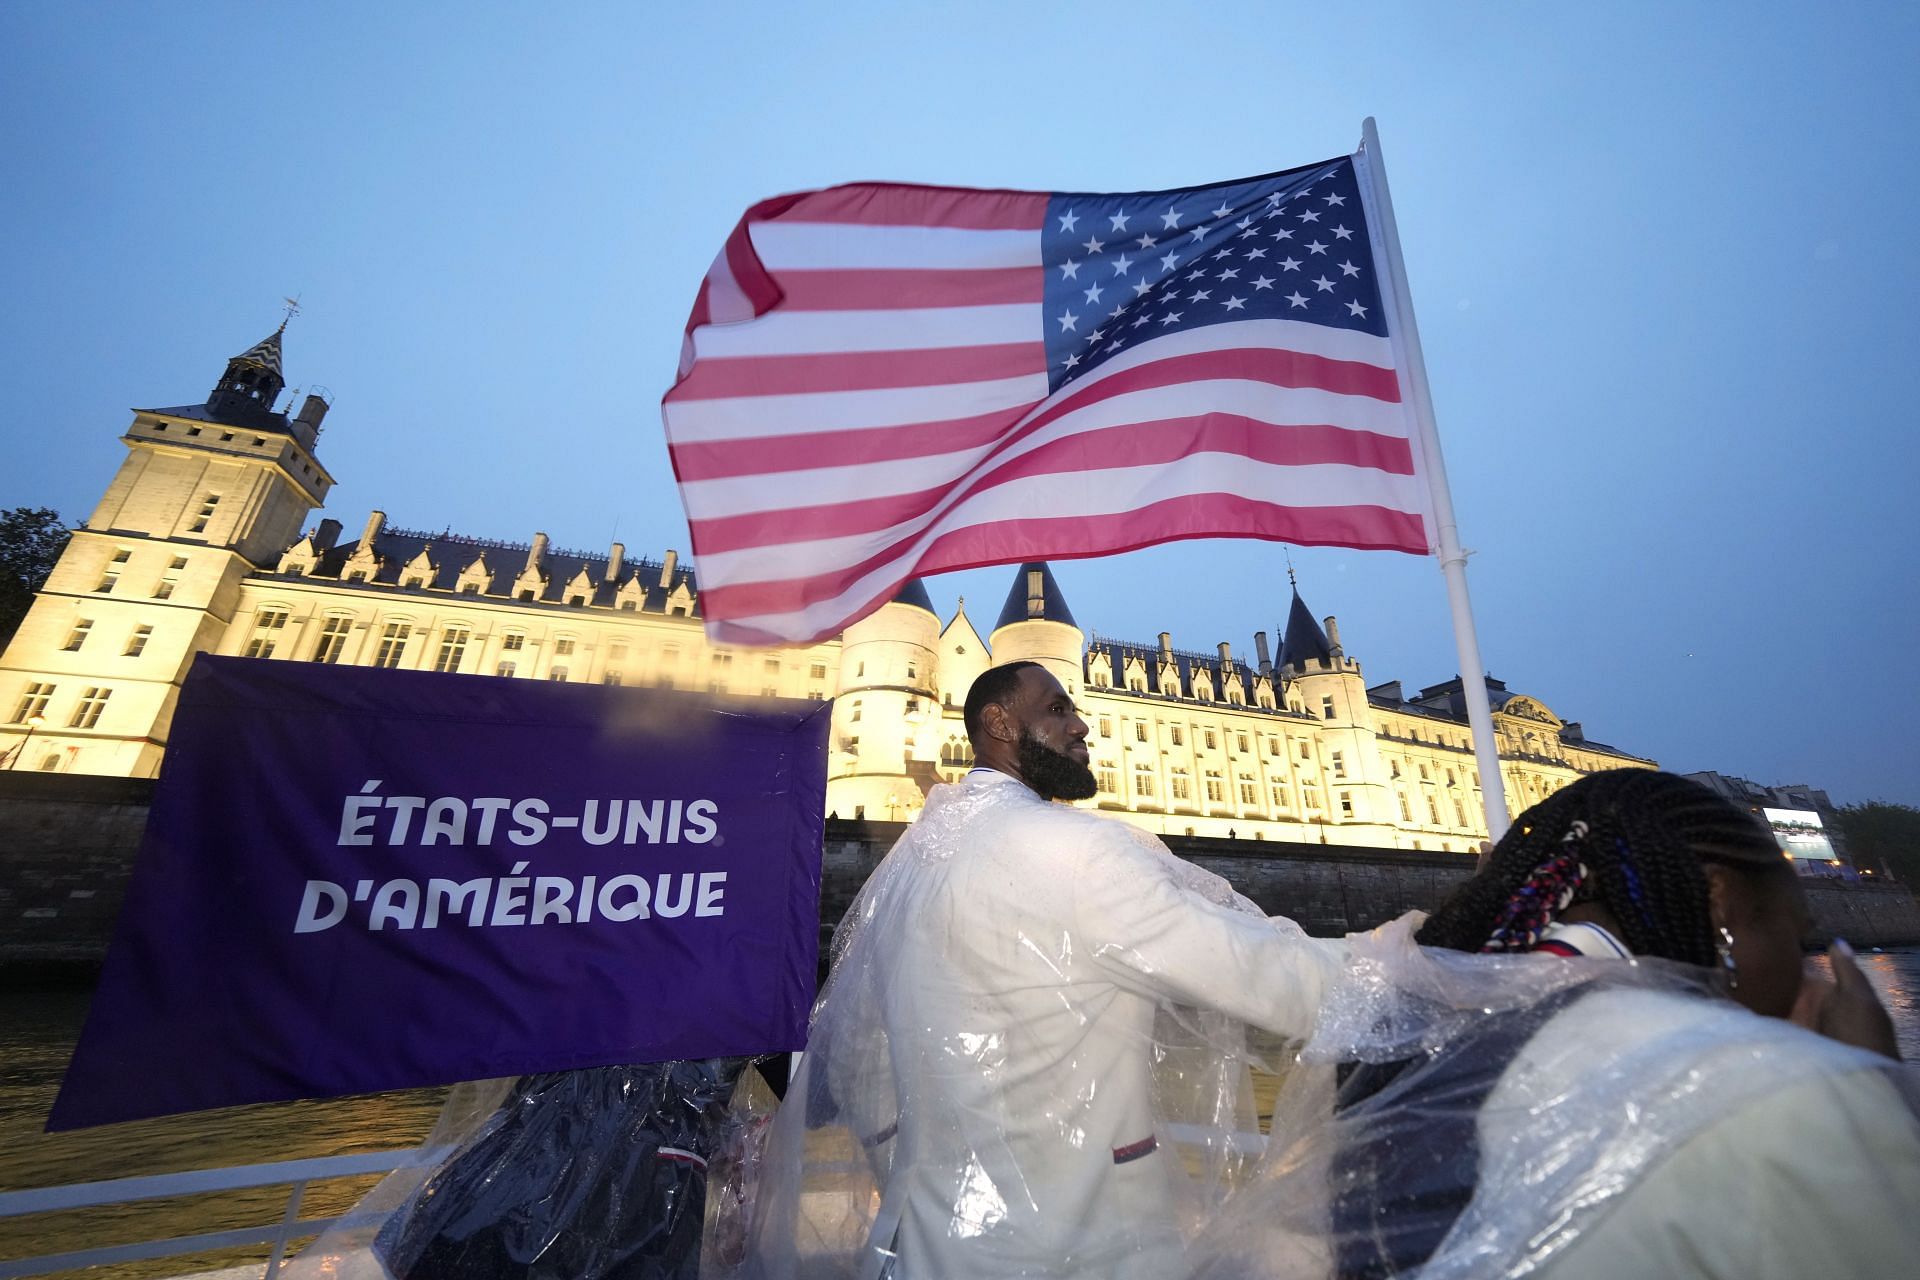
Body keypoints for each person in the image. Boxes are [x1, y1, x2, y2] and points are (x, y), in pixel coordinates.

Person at [749, 661, 1346, 1280]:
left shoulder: (912, 860)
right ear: (999, 723)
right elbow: (1262, 974)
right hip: (1078, 1251)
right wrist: (1416, 961)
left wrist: (908, 1160)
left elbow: (855, 1056)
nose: (1081, 724)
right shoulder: (1079, 850)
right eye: (1058, 709)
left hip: (924, 1246)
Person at [1310, 769, 1919, 1279]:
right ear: (1720, 904)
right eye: (1796, 931)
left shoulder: (1417, 1049)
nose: (1804, 965)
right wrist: (1872, 1084)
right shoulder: (1791, 1093)